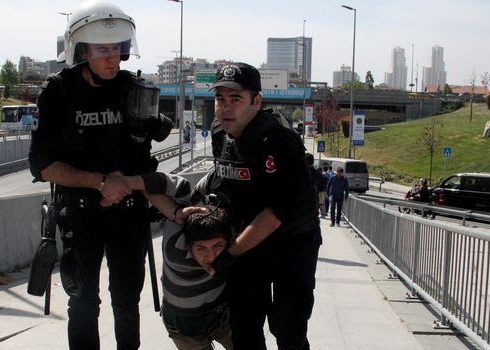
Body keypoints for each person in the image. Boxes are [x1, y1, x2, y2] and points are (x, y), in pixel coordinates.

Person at [27, 1, 169, 348]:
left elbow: (153, 139)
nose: (112, 57)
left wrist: (123, 185)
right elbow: (43, 166)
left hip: (129, 213)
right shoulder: (59, 93)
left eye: (118, 48)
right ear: (81, 49)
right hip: (81, 212)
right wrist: (101, 182)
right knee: (83, 302)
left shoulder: (134, 88)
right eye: (103, 48)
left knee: (126, 302)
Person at [196, 62, 321, 349]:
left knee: (287, 326)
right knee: (244, 324)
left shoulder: (278, 141)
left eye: (236, 100)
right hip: (249, 240)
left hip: (293, 241)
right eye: (220, 100)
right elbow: (222, 185)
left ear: (257, 101)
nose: (226, 108)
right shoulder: (219, 132)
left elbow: (277, 211)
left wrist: (232, 252)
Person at [120, 172, 234, 350]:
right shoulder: (175, 249)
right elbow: (163, 181)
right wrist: (121, 181)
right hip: (184, 328)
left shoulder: (232, 238)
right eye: (201, 248)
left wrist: (191, 200)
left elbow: (180, 186)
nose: (211, 256)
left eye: (218, 246)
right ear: (188, 244)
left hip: (222, 316)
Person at [306, 153, 328, 218]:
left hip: (302, 205)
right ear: (313, 162)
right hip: (315, 204)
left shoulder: (300, 174)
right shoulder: (320, 175)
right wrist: (321, 203)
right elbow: (322, 191)